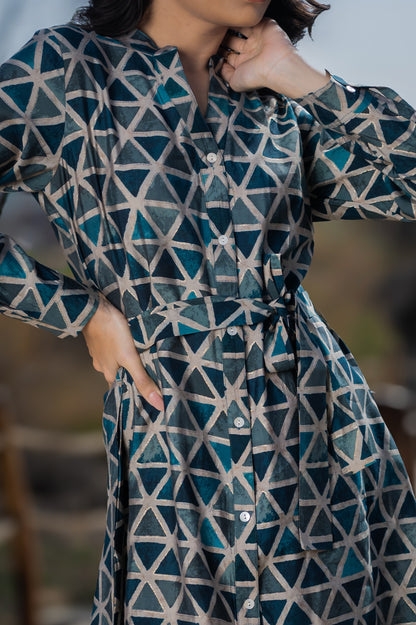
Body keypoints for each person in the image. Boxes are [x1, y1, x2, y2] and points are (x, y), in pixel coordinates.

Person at [0, 0, 415, 623]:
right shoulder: (64, 73)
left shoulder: (274, 89)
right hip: (171, 436)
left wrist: (306, 79)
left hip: (317, 431)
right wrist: (80, 313)